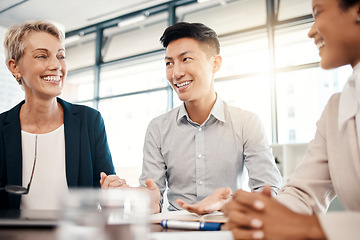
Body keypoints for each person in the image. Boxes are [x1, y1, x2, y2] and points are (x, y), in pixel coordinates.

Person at [222, 0, 360, 239]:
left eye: (317, 13)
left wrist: (310, 228)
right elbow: (303, 193)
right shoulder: (335, 109)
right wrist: (261, 213)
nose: (311, 31)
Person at [139, 22, 283, 214]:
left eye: (186, 59)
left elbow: (270, 191)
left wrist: (229, 203)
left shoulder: (246, 123)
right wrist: (139, 202)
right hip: (174, 231)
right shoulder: (158, 128)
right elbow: (151, 200)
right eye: (169, 63)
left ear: (215, 63)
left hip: (228, 229)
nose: (176, 73)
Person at [0, 20, 124, 210]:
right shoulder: (2, 128)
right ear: (15, 67)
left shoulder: (89, 121)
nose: (56, 65)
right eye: (42, 56)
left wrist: (115, 195)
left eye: (60, 56)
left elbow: (108, 196)